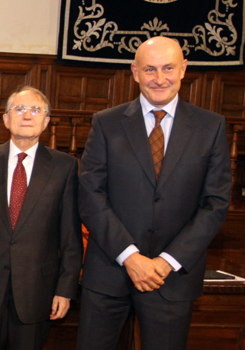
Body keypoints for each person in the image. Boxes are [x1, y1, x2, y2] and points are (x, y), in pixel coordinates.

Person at [77, 36, 231, 350]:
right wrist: (130, 257)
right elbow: (90, 195)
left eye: (168, 68)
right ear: (135, 72)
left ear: (184, 69)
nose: (159, 79)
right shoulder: (106, 124)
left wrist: (165, 262)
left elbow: (214, 204)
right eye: (150, 69)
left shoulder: (210, 127)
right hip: (110, 271)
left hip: (172, 278)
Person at [0, 86, 82, 350]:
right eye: (19, 109)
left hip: (37, 291)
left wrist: (65, 289)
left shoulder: (64, 167)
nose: (27, 115)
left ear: (47, 121)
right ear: (6, 119)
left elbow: (70, 236)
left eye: (35, 109)